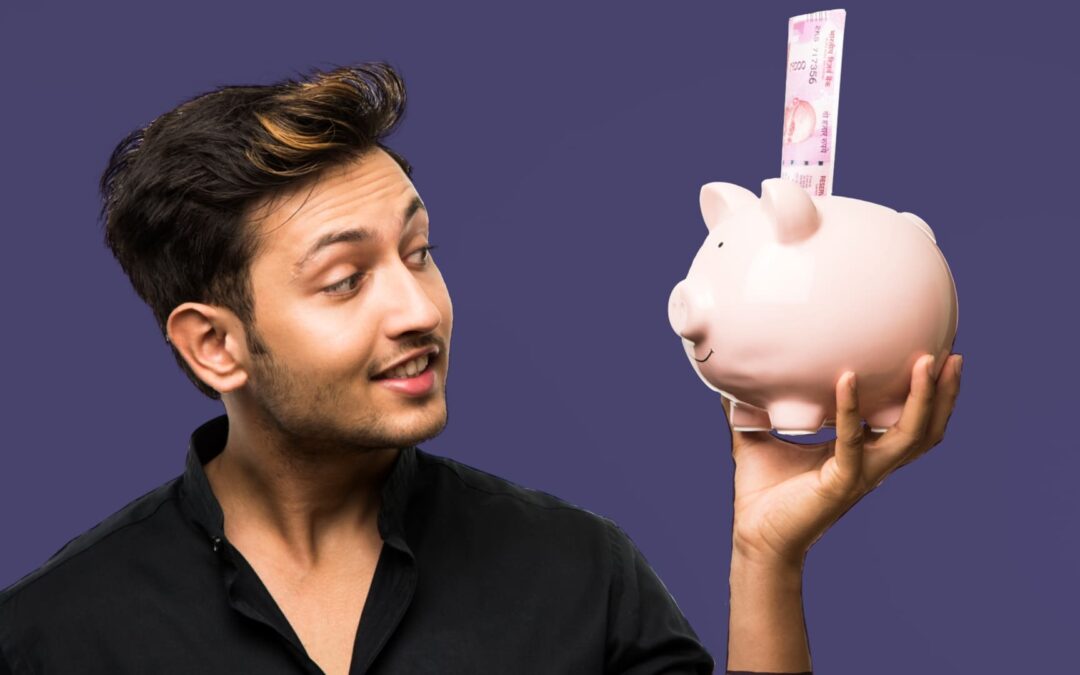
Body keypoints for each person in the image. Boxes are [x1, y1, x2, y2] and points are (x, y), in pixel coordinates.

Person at [0, 62, 962, 675]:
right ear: (215, 344)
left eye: (418, 252)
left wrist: (767, 559)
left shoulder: (581, 576)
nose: (419, 310)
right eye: (344, 280)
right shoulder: (53, 638)